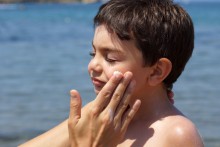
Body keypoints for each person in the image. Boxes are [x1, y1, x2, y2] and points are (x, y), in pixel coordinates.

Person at [19, 0, 204, 146]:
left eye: (111, 58)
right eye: (93, 53)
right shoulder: (99, 120)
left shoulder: (177, 135)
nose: (93, 65)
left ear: (156, 71)